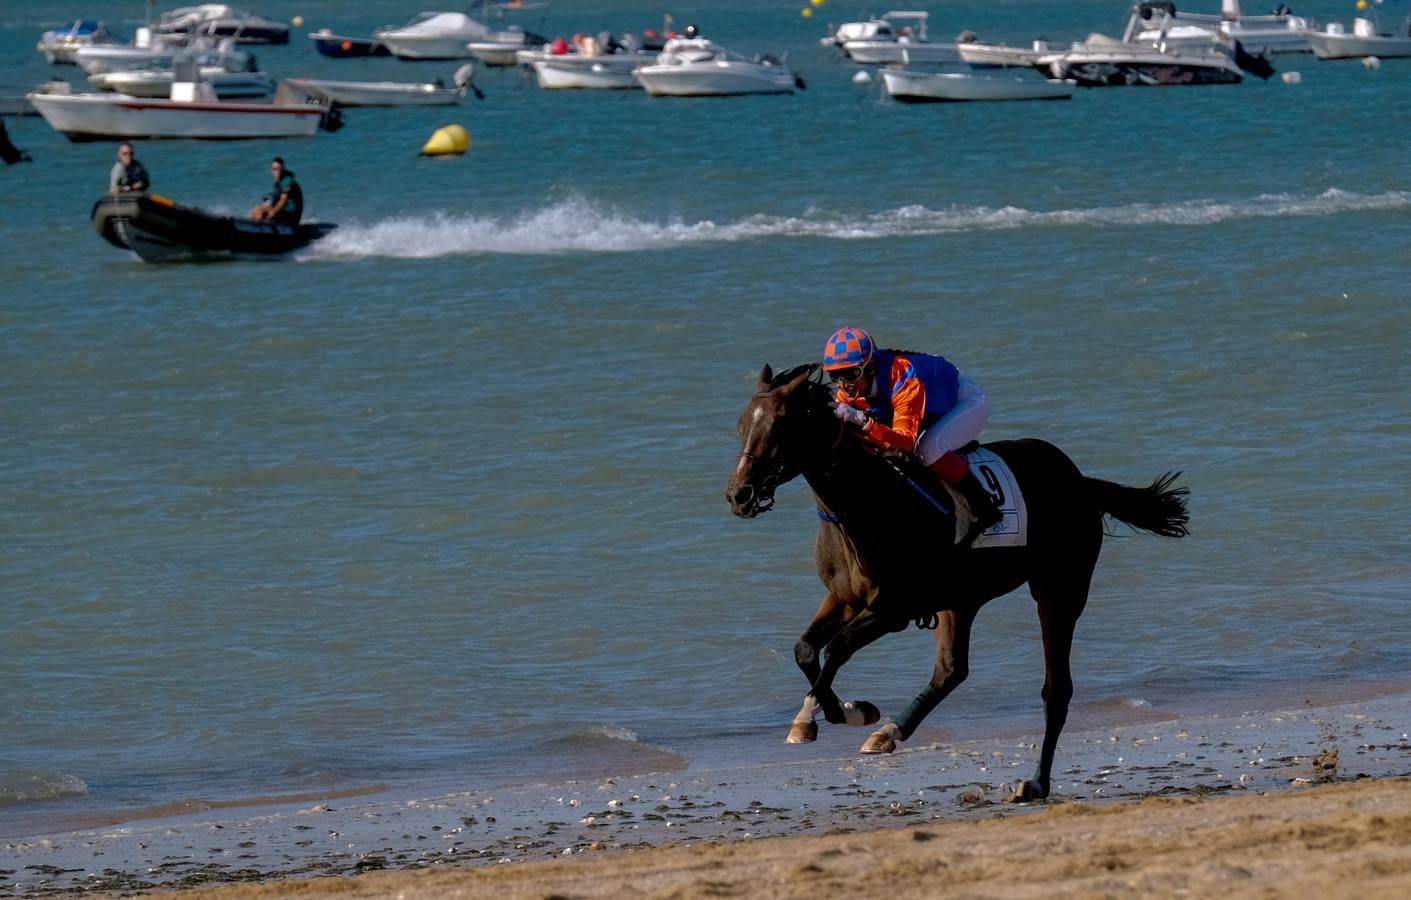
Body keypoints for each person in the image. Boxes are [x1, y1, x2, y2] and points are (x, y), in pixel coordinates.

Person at [822, 326, 1002, 543]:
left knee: (926, 448)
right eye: (836, 375)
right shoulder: (848, 390)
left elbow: (905, 442)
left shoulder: (903, 377)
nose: (844, 384)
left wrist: (862, 420)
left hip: (966, 401)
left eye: (851, 373)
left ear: (870, 367)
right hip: (924, 402)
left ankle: (984, 509)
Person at [249, 157, 302, 225]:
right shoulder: (278, 184)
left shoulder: (287, 180)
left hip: (292, 217)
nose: (277, 172)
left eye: (279, 169)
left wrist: (273, 212)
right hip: (283, 214)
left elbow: (283, 200)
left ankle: (261, 229)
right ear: (271, 171)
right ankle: (256, 228)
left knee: (261, 209)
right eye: (274, 169)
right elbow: (275, 200)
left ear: (283, 169)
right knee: (255, 210)